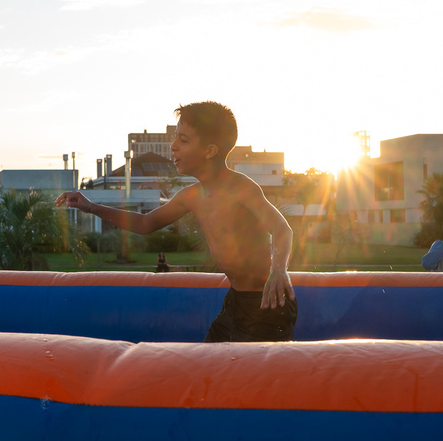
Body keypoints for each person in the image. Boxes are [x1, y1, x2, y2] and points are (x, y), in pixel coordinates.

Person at [56, 102, 295, 342]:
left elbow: (282, 230)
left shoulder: (240, 188)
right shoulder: (191, 196)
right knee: (210, 369)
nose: (173, 147)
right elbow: (145, 224)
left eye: (183, 140)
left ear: (210, 151)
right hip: (236, 302)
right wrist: (92, 207)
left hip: (267, 304)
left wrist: (278, 270)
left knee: (246, 376)